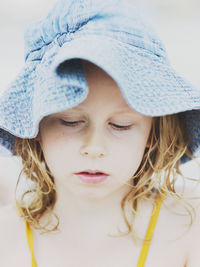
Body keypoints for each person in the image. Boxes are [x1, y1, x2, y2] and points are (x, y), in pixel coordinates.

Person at [0, 0, 200, 266]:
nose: (94, 147)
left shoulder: (189, 229)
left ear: (152, 132)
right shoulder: (6, 239)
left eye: (120, 125)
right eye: (70, 121)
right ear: (35, 122)